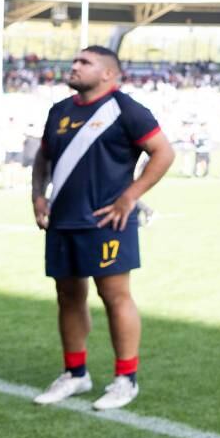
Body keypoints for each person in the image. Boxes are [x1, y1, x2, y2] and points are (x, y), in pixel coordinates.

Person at [29, 46, 175, 410]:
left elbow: (164, 153)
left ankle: (126, 380)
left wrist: (130, 196)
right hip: (63, 221)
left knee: (114, 296)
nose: (74, 66)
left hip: (108, 222)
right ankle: (75, 375)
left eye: (84, 62)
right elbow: (43, 156)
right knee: (68, 296)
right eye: (74, 60)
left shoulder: (126, 110)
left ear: (109, 74)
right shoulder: (59, 111)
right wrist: (37, 195)